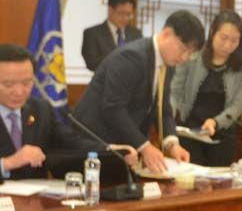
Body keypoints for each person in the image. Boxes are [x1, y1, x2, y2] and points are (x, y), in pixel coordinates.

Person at [73, 10, 204, 174]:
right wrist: (145, 146)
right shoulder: (132, 57)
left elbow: (163, 109)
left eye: (190, 54)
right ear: (167, 34)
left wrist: (172, 144)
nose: (184, 57)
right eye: (183, 49)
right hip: (95, 142)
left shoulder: (168, 64)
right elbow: (113, 108)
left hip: (123, 147)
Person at [0, 44, 139, 181]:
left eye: (26, 83)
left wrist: (110, 149)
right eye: (8, 84)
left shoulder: (40, 109)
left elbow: (71, 142)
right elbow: (12, 162)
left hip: (37, 194)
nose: (19, 92)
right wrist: (7, 163)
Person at [170, 10, 242, 167]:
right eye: (224, 38)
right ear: (212, 32)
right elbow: (175, 91)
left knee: (218, 180)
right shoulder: (192, 57)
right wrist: (168, 118)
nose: (228, 45)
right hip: (190, 132)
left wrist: (215, 122)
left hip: (222, 135)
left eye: (234, 40)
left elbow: (238, 104)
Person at [81, 0, 143, 72]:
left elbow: (141, 60)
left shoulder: (136, 34)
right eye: (121, 13)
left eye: (129, 14)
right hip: (105, 79)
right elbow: (92, 63)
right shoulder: (92, 34)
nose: (125, 18)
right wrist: (121, 60)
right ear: (110, 9)